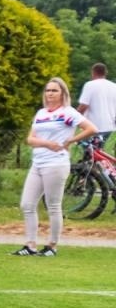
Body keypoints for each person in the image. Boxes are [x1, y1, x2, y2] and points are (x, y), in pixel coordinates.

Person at [15, 77, 97, 258]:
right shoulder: (41, 113)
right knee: (27, 204)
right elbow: (30, 139)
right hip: (38, 163)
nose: (50, 94)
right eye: (48, 90)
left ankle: (52, 246)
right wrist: (46, 143)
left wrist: (70, 140)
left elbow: (91, 128)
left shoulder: (67, 112)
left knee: (53, 206)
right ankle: (30, 245)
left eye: (54, 90)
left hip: (56, 164)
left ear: (62, 94)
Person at [76, 63, 116, 144]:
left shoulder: (90, 85)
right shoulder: (114, 86)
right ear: (105, 73)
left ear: (93, 72)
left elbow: (83, 106)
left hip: (93, 127)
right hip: (111, 127)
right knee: (105, 150)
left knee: (90, 149)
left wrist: (74, 118)